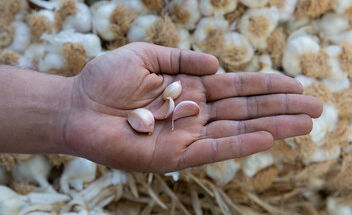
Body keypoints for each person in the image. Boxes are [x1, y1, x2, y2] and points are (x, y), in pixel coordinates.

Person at [0, 42, 322, 173]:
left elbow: (170, 108)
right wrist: (70, 104)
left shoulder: (168, 105)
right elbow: (165, 110)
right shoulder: (161, 107)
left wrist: (68, 104)